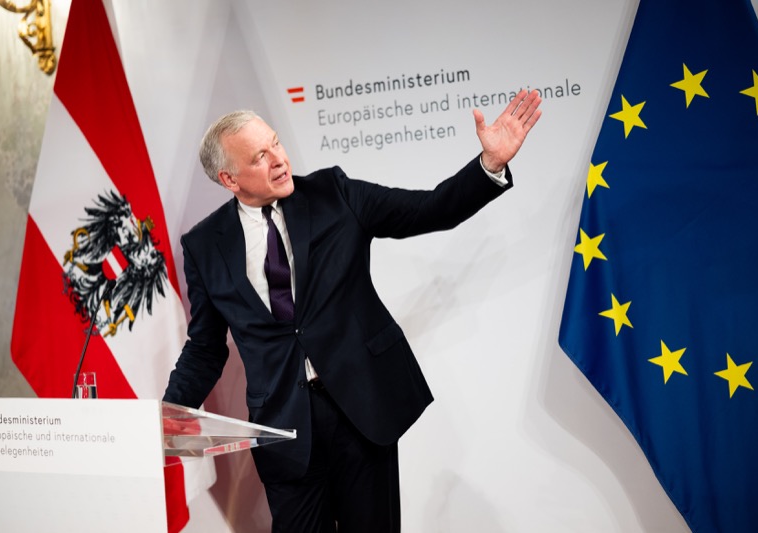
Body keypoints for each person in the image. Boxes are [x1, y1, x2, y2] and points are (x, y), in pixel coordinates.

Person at [163, 89, 542, 532]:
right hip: (284, 430)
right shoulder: (204, 246)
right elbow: (206, 347)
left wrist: (488, 165)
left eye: (276, 143)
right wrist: (169, 413)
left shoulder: (333, 194)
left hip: (361, 412)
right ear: (229, 179)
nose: (279, 160)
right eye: (260, 157)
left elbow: (429, 209)